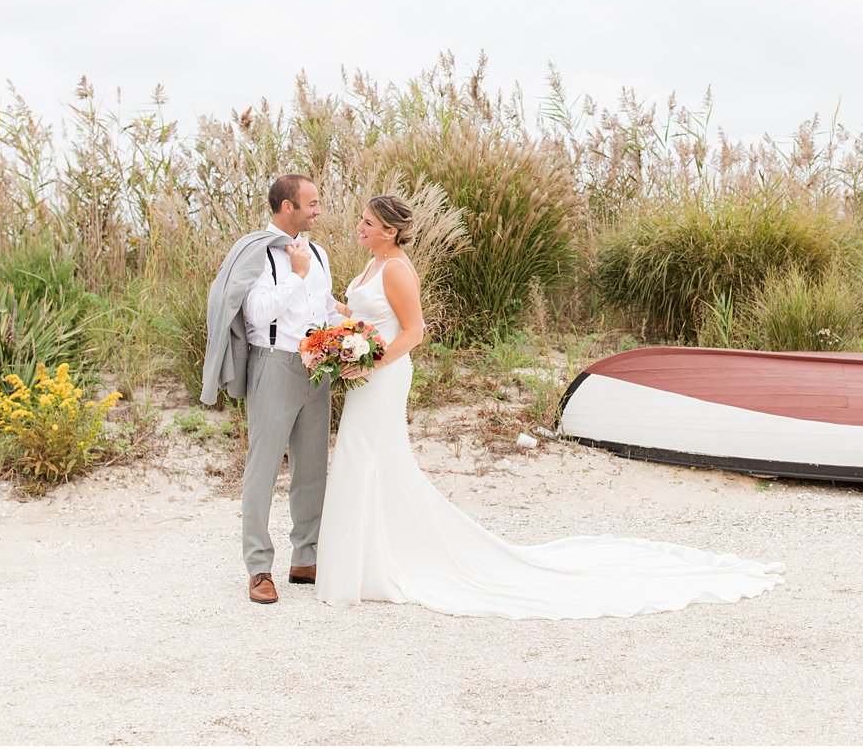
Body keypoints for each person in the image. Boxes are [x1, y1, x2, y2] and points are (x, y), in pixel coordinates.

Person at [318, 194, 784, 619]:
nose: (359, 227)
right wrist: (331, 325)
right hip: (366, 374)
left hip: (382, 376)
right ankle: (366, 560)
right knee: (365, 458)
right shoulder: (371, 265)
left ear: (391, 231)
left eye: (368, 222)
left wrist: (371, 361)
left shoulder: (397, 267)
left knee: (372, 456)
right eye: (361, 219)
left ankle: (378, 563)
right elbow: (362, 316)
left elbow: (413, 332)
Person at [200, 174, 345, 604]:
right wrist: (295, 277)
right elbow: (258, 314)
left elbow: (323, 308)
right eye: (312, 203)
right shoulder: (257, 254)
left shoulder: (317, 252)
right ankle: (259, 568)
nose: (318, 210)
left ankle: (306, 557)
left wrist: (353, 336)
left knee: (312, 467)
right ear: (287, 207)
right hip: (274, 365)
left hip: (316, 366)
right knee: (262, 469)